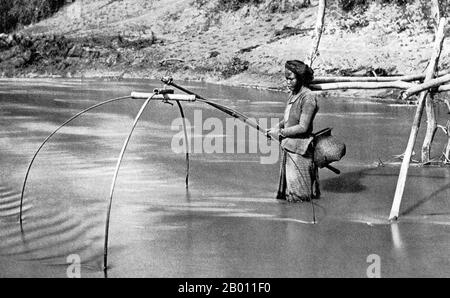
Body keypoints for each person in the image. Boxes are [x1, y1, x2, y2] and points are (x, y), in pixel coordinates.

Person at [266, 60, 320, 202]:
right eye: (286, 79)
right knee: (288, 194)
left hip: (300, 151)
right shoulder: (293, 94)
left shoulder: (308, 97)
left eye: (291, 79)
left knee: (299, 196)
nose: (288, 82)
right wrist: (277, 127)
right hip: (289, 147)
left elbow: (303, 127)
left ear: (300, 78)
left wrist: (280, 133)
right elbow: (289, 119)